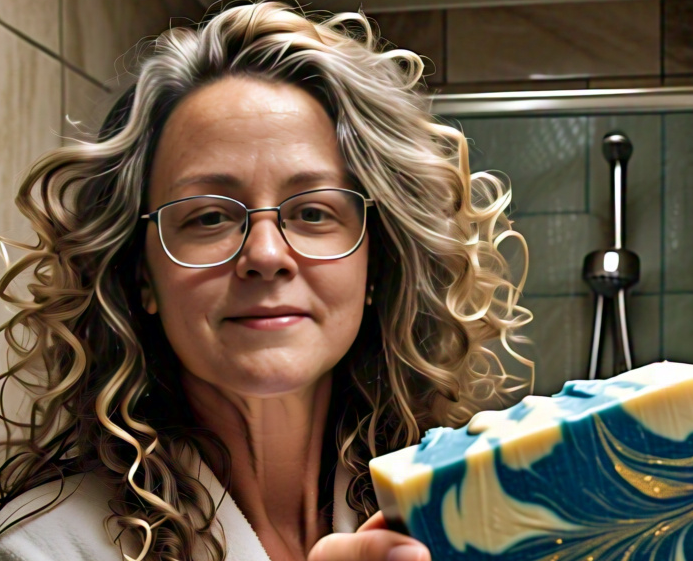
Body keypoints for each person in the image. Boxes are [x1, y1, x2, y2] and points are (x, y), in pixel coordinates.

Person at [0, 2, 532, 560]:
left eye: (314, 212)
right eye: (209, 216)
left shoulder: (453, 510)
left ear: (376, 264)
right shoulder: (45, 548)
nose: (266, 254)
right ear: (142, 274)